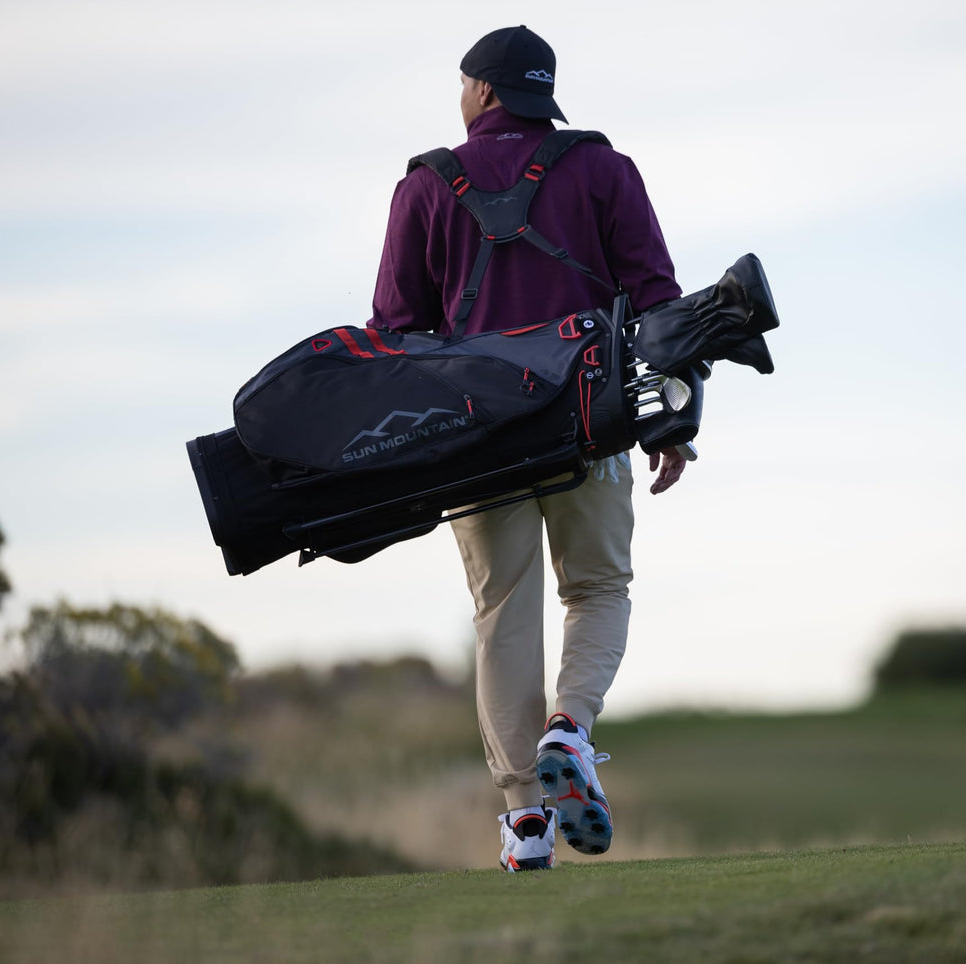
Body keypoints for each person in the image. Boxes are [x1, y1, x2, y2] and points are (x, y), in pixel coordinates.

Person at [368, 25, 686, 872]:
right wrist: (672, 422)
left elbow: (395, 333)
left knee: (502, 611)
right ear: (539, 91)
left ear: (478, 90)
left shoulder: (425, 187)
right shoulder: (602, 169)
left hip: (477, 437)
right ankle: (571, 730)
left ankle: (523, 823)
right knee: (598, 586)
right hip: (592, 422)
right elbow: (658, 303)